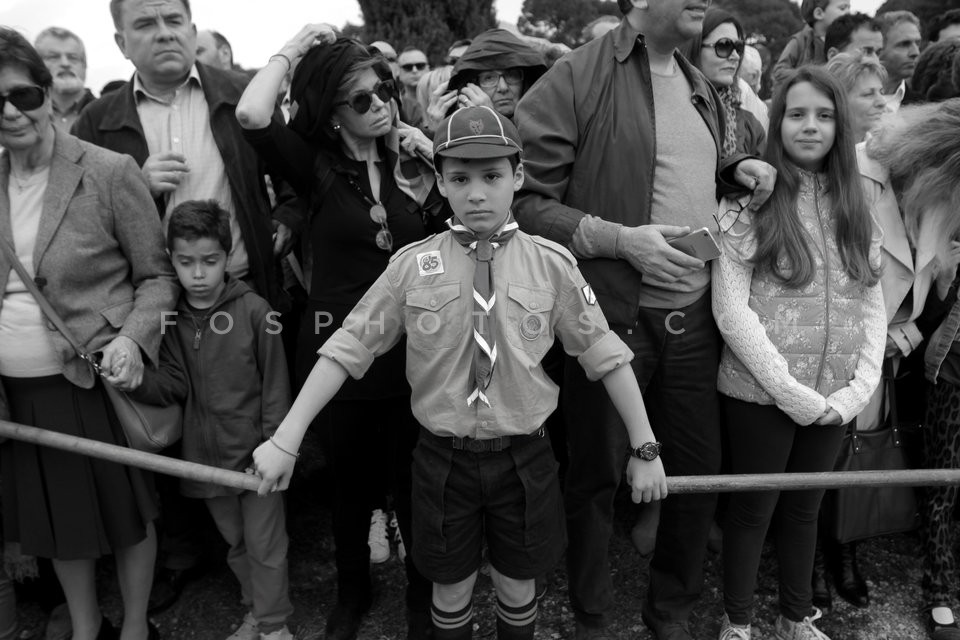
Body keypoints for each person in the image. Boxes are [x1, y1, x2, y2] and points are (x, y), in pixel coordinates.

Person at [250, 103, 668, 640]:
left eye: (492, 176)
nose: (477, 193)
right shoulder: (410, 266)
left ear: (517, 177)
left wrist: (645, 448)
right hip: (442, 461)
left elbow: (608, 359)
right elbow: (346, 349)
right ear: (440, 183)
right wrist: (287, 439)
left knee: (519, 588)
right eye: (460, 177)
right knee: (448, 590)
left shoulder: (553, 264)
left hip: (524, 458)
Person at [512, 0, 777, 637]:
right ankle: (593, 620)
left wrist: (732, 170)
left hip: (696, 321)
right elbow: (520, 198)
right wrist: (619, 240)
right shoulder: (576, 76)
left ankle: (671, 617)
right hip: (609, 322)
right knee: (596, 480)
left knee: (696, 480)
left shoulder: (701, 85)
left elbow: (679, 169)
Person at [72, 0, 297, 615]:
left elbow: (301, 172)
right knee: (175, 422)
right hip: (151, 301)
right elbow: (74, 219)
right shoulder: (98, 120)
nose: (164, 31)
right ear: (121, 42)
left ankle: (266, 555)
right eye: (145, 23)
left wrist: (285, 218)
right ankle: (187, 553)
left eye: (173, 17)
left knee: (247, 406)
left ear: (193, 29)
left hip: (243, 295)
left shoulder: (242, 95)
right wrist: (132, 184)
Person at [235, 26, 447, 640]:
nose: (381, 101)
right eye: (360, 99)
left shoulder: (413, 160)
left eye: (383, 87)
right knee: (350, 485)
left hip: (415, 349)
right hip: (338, 350)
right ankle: (351, 591)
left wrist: (431, 168)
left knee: (414, 481)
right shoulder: (316, 170)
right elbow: (252, 113)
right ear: (330, 115)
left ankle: (420, 594)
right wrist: (297, 44)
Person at [0, 26, 178, 640]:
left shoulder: (107, 170)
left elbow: (157, 278)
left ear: (48, 96)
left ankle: (132, 628)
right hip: (16, 393)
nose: (9, 112)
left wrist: (132, 339)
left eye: (21, 95)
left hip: (92, 381)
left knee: (126, 515)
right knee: (56, 524)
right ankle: (83, 628)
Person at [712, 65, 885, 640]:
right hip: (761, 391)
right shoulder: (752, 199)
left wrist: (858, 388)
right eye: (797, 113)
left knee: (805, 510)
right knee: (752, 510)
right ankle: (737, 623)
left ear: (840, 125)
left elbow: (872, 302)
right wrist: (787, 390)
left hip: (835, 394)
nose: (811, 126)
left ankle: (794, 617)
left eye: (825, 115)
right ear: (777, 120)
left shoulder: (856, 202)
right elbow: (730, 307)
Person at [132, 200, 294, 640]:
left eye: (210, 261)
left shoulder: (257, 312)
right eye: (186, 263)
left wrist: (275, 447)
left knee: (266, 546)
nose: (198, 274)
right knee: (237, 544)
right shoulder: (170, 318)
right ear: (172, 261)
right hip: (204, 461)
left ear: (228, 256)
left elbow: (277, 387)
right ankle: (256, 613)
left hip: (256, 459)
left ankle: (275, 626)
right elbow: (172, 385)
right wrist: (133, 381)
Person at [903, 100, 960, 640]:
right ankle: (939, 590)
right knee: (941, 478)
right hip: (954, 362)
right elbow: (936, 292)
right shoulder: (943, 161)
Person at [687, 9, 766, 157]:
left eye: (739, 48)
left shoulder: (751, 125)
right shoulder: (671, 106)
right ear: (695, 47)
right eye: (724, 45)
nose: (735, 56)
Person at [447, 29, 546, 121]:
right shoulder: (456, 131)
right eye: (489, 78)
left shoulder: (546, 125)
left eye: (512, 75)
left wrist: (491, 121)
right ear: (472, 87)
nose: (503, 88)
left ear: (526, 82)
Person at [772, 0, 850, 90]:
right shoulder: (799, 41)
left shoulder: (846, 41)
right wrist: (809, 74)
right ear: (819, 13)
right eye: (843, 8)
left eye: (849, 8)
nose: (848, 13)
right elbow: (779, 72)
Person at [33, 27, 94, 133]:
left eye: (73, 57)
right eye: (54, 57)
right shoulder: (26, 116)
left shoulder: (109, 114)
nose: (65, 63)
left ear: (84, 65)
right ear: (37, 66)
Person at [826, 51, 887, 142]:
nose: (882, 102)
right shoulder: (816, 153)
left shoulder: (885, 152)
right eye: (868, 94)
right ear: (837, 101)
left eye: (881, 92)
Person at [876, 11, 922, 111]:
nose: (915, 52)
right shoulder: (845, 100)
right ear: (879, 48)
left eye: (917, 43)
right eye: (904, 44)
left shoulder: (924, 107)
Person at [397, 47, 429, 127]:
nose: (414, 70)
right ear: (398, 72)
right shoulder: (395, 105)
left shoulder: (441, 99)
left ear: (428, 68)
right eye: (407, 67)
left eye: (420, 66)